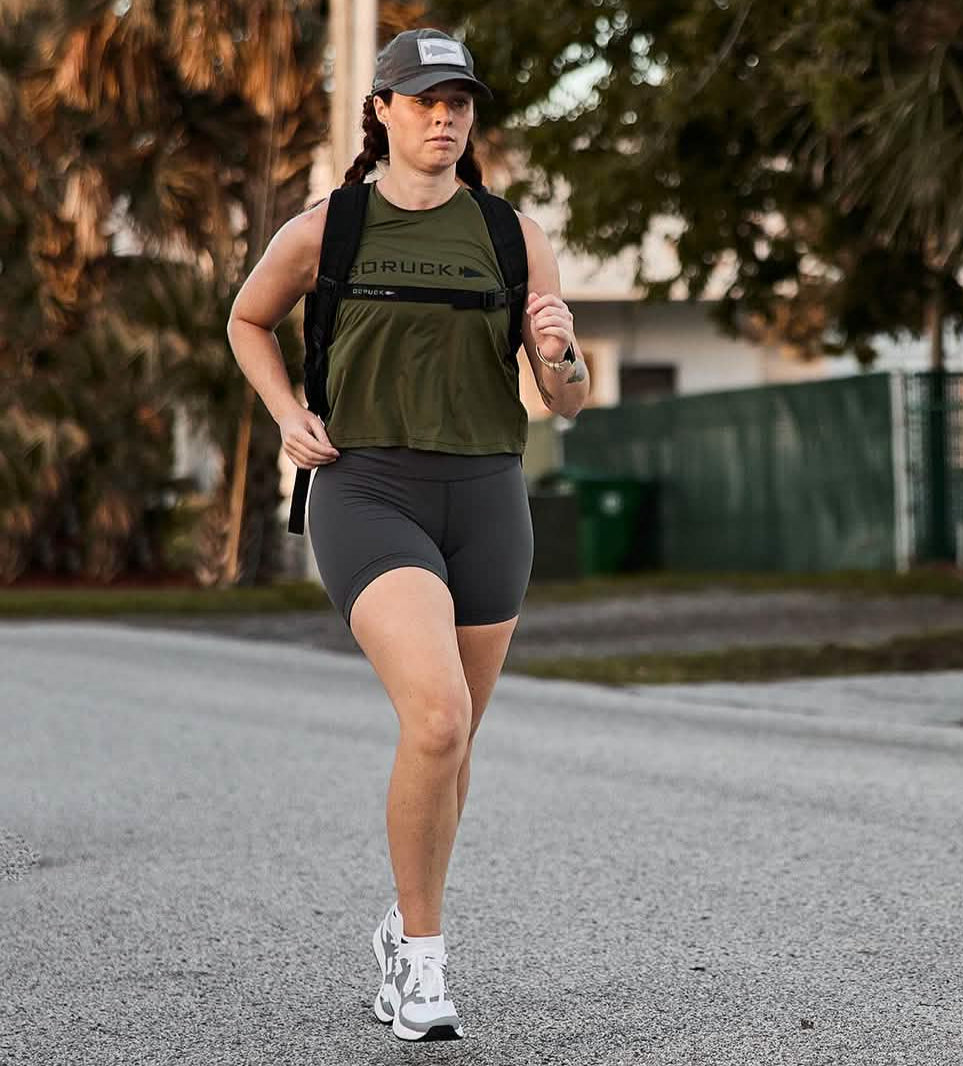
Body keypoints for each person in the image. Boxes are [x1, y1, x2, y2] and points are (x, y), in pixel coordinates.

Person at [226, 27, 590, 1042]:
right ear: (380, 109)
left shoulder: (513, 234)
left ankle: (400, 918)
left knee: (458, 733)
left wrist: (560, 357)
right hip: (366, 489)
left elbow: (564, 401)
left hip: (486, 496)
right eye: (425, 99)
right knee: (435, 717)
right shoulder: (327, 228)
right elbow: (246, 319)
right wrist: (285, 412)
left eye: (460, 101)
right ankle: (421, 967)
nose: (446, 116)